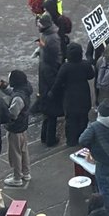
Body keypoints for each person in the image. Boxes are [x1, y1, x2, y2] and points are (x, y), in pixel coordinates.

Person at [51, 43, 95, 146]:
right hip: (84, 95)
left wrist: (51, 93)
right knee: (83, 119)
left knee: (71, 121)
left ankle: (71, 141)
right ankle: (83, 139)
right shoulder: (85, 65)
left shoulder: (65, 67)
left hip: (70, 97)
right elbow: (91, 76)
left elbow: (58, 82)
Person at [0, 69, 34, 188]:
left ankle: (17, 177)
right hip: (22, 127)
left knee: (15, 153)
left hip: (15, 129)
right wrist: (4, 87)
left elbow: (12, 114)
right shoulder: (25, 89)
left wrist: (2, 112)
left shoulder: (18, 98)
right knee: (23, 151)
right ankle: (26, 173)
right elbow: (14, 92)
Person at [37, 13, 64, 146]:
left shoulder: (51, 39)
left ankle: (47, 138)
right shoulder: (48, 37)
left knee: (49, 114)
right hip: (47, 87)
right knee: (50, 114)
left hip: (46, 86)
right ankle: (48, 138)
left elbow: (55, 55)